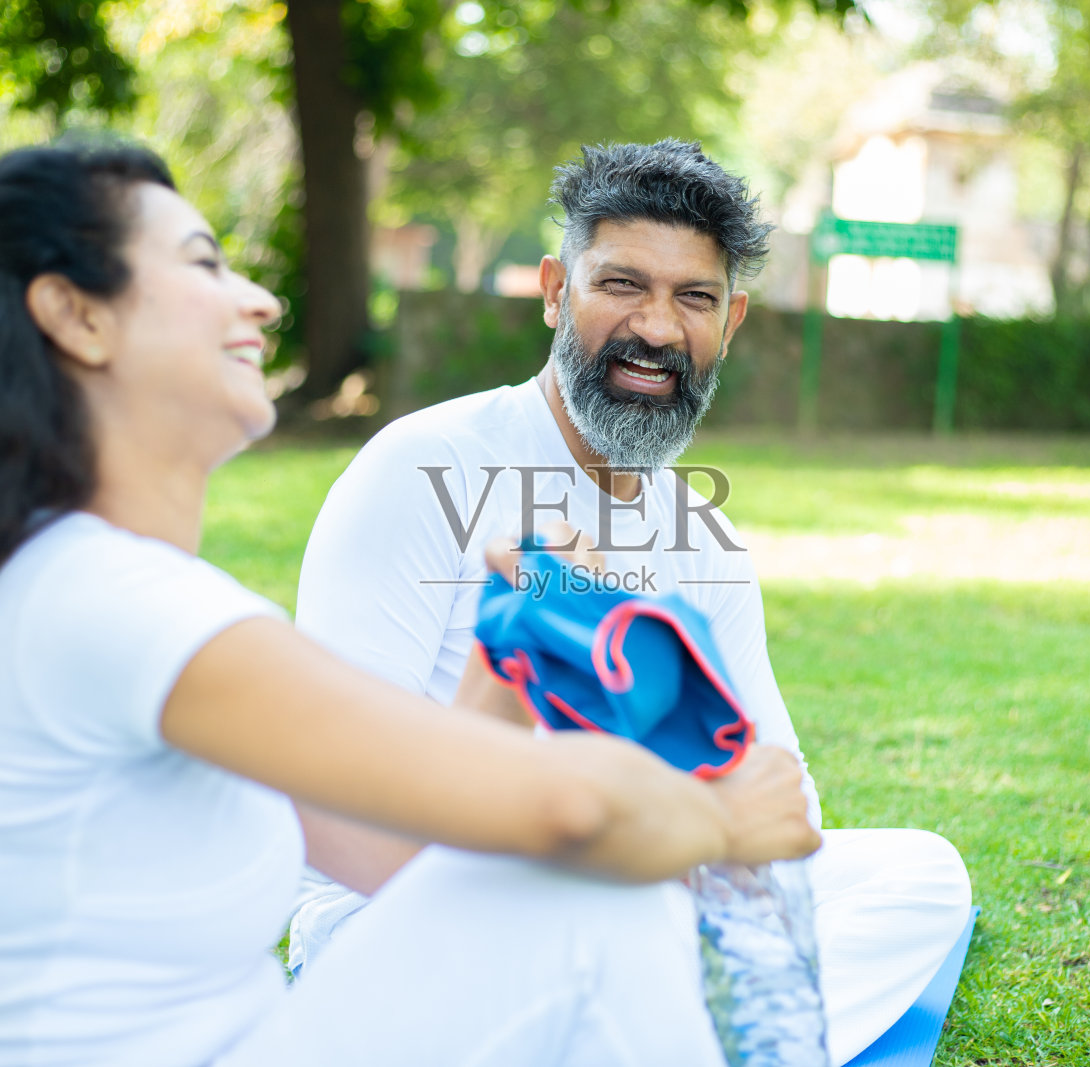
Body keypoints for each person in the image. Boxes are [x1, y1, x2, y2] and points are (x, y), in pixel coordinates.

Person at [0, 143, 822, 1066]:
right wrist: (715, 817)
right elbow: (567, 809)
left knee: (726, 892)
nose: (258, 300)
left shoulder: (87, 581)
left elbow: (395, 842)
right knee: (598, 912)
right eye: (206, 265)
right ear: (78, 315)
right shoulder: (103, 599)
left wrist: (502, 673)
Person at [289, 139, 974, 1065]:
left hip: (651, 882)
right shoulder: (420, 467)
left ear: (729, 322)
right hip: (419, 911)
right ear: (553, 290)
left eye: (693, 298)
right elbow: (344, 793)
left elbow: (781, 800)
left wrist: (691, 835)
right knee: (630, 910)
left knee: (920, 873)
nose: (656, 329)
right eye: (621, 285)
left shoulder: (709, 539)